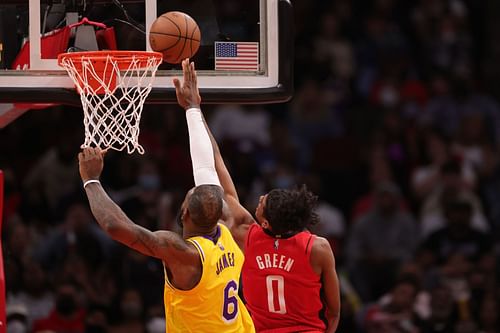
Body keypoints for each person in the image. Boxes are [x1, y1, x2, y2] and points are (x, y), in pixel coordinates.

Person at [78, 59, 255, 332]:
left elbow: (116, 226)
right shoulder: (233, 228)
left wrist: (91, 179)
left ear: (184, 212)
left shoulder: (185, 254)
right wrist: (193, 109)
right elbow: (210, 164)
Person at [179, 60, 341, 332]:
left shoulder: (247, 236)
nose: (259, 198)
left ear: (265, 223)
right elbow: (333, 313)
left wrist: (194, 110)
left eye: (262, 203)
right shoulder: (318, 247)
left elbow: (216, 167)